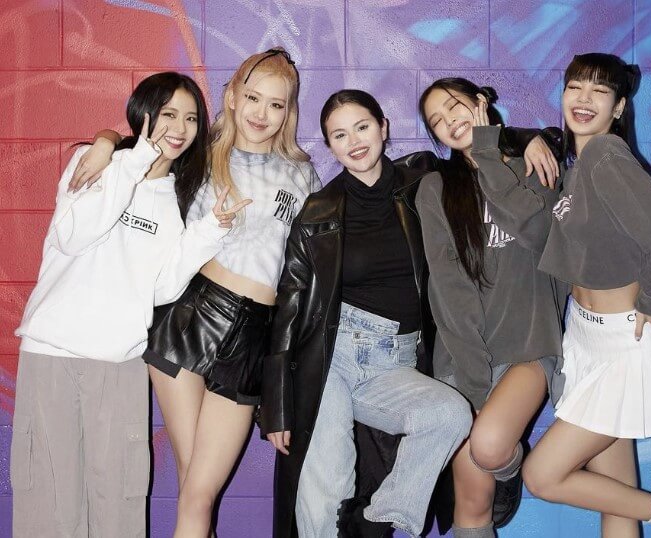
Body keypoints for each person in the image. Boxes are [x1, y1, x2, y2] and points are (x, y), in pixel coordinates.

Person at [68, 49, 321, 538]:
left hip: (253, 337)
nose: (261, 113)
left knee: (197, 488)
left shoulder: (303, 174)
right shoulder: (200, 154)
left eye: (276, 104)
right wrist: (103, 141)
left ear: (289, 111)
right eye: (252, 98)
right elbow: (138, 145)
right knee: (197, 492)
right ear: (232, 96)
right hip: (189, 318)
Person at [11, 72, 242, 538]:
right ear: (144, 114)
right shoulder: (96, 163)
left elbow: (160, 289)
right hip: (53, 354)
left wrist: (209, 231)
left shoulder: (173, 201)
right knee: (49, 507)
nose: (180, 128)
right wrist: (124, 155)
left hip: (121, 364)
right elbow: (74, 236)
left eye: (191, 119)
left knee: (118, 506)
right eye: (169, 114)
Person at [521, 53, 651, 538]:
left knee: (543, 475)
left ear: (618, 107)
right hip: (587, 339)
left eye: (599, 91)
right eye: (575, 87)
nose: (584, 99)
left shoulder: (605, 155)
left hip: (621, 345)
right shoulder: (579, 164)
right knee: (616, 495)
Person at [260, 89, 475, 538]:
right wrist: (276, 404)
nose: (354, 141)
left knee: (450, 415)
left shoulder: (422, 183)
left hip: (395, 361)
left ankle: (375, 519)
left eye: (362, 127)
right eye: (339, 135)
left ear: (383, 127)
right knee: (326, 486)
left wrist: (531, 140)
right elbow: (289, 310)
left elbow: (475, 151)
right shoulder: (316, 212)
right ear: (330, 146)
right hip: (331, 359)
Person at [417, 77, 567, 538]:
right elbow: (448, 289)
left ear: (481, 103)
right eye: (436, 121)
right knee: (472, 503)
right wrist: (473, 379)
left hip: (528, 346)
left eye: (455, 106)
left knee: (488, 445)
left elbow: (540, 235)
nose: (449, 122)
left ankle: (505, 463)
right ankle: (503, 466)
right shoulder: (435, 188)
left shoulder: (534, 164)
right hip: (465, 355)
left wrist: (489, 152)